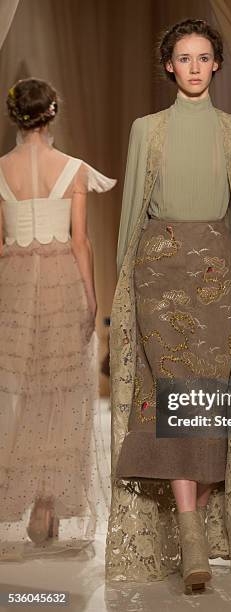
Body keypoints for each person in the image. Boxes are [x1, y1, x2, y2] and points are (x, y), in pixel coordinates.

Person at [106, 19, 231, 593]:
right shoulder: (146, 129)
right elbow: (130, 212)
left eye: (204, 57)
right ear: (169, 66)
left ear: (217, 64)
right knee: (175, 396)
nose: (195, 67)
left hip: (218, 273)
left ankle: (191, 522)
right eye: (184, 57)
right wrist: (123, 283)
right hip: (158, 270)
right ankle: (193, 531)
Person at [0, 78, 115, 559]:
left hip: (12, 285)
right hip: (61, 286)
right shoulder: (71, 170)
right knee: (61, 390)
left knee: (19, 393)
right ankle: (47, 499)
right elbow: (79, 241)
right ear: (52, 114)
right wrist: (90, 297)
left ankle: (24, 498)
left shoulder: (1, 170)